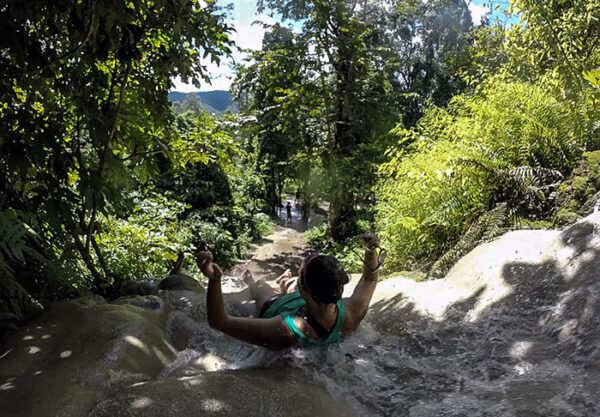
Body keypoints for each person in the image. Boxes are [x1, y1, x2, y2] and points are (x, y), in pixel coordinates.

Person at [196, 232, 382, 348]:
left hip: (277, 304)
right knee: (291, 286)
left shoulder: (284, 330)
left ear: (305, 288)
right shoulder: (351, 311)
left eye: (301, 275)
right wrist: (370, 249)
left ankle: (255, 281)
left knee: (260, 286)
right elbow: (369, 278)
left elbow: (219, 322)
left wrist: (214, 280)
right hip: (307, 304)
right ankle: (286, 280)